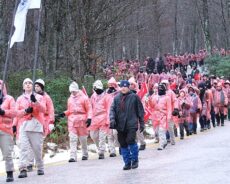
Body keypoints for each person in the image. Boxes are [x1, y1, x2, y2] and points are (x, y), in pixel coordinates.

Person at [13, 78, 46, 178]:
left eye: (30, 83)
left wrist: (35, 101)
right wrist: (25, 111)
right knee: (23, 147)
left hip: (36, 124)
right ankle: (23, 168)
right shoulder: (19, 99)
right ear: (23, 86)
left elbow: (43, 109)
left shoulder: (39, 97)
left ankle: (40, 167)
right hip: (23, 125)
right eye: (26, 83)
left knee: (37, 148)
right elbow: (16, 113)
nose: (28, 85)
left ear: (32, 86)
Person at [110, 80, 144, 170]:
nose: (123, 88)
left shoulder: (134, 97)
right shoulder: (116, 98)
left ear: (129, 87)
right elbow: (112, 110)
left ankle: (135, 160)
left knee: (130, 140)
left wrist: (142, 122)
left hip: (131, 123)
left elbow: (140, 110)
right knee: (123, 143)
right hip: (120, 124)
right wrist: (112, 119)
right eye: (122, 86)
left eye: (125, 86)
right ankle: (127, 162)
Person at [59, 82, 92, 162]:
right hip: (72, 120)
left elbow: (89, 109)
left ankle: (85, 154)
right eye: (71, 91)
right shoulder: (70, 99)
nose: (73, 92)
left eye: (74, 91)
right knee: (73, 138)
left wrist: (89, 118)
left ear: (77, 90)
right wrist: (64, 113)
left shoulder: (84, 98)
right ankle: (73, 156)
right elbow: (70, 110)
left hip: (82, 120)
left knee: (83, 139)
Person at [27, 79, 55, 171]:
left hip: (44, 121)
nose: (36, 88)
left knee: (38, 143)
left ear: (42, 87)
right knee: (30, 143)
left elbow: (51, 110)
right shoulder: (33, 96)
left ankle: (38, 162)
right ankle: (30, 163)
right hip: (33, 120)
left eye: (38, 86)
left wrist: (51, 122)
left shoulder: (46, 97)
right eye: (35, 86)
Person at [0, 80, 16, 182]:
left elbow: (14, 112)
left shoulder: (9, 99)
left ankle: (9, 173)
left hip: (5, 129)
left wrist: (3, 111)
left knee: (7, 153)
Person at [89, 80, 108, 159]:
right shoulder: (93, 96)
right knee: (93, 135)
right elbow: (90, 107)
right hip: (95, 118)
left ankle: (101, 151)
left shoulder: (106, 96)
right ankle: (99, 147)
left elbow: (109, 107)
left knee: (102, 136)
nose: (96, 90)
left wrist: (108, 118)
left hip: (103, 116)